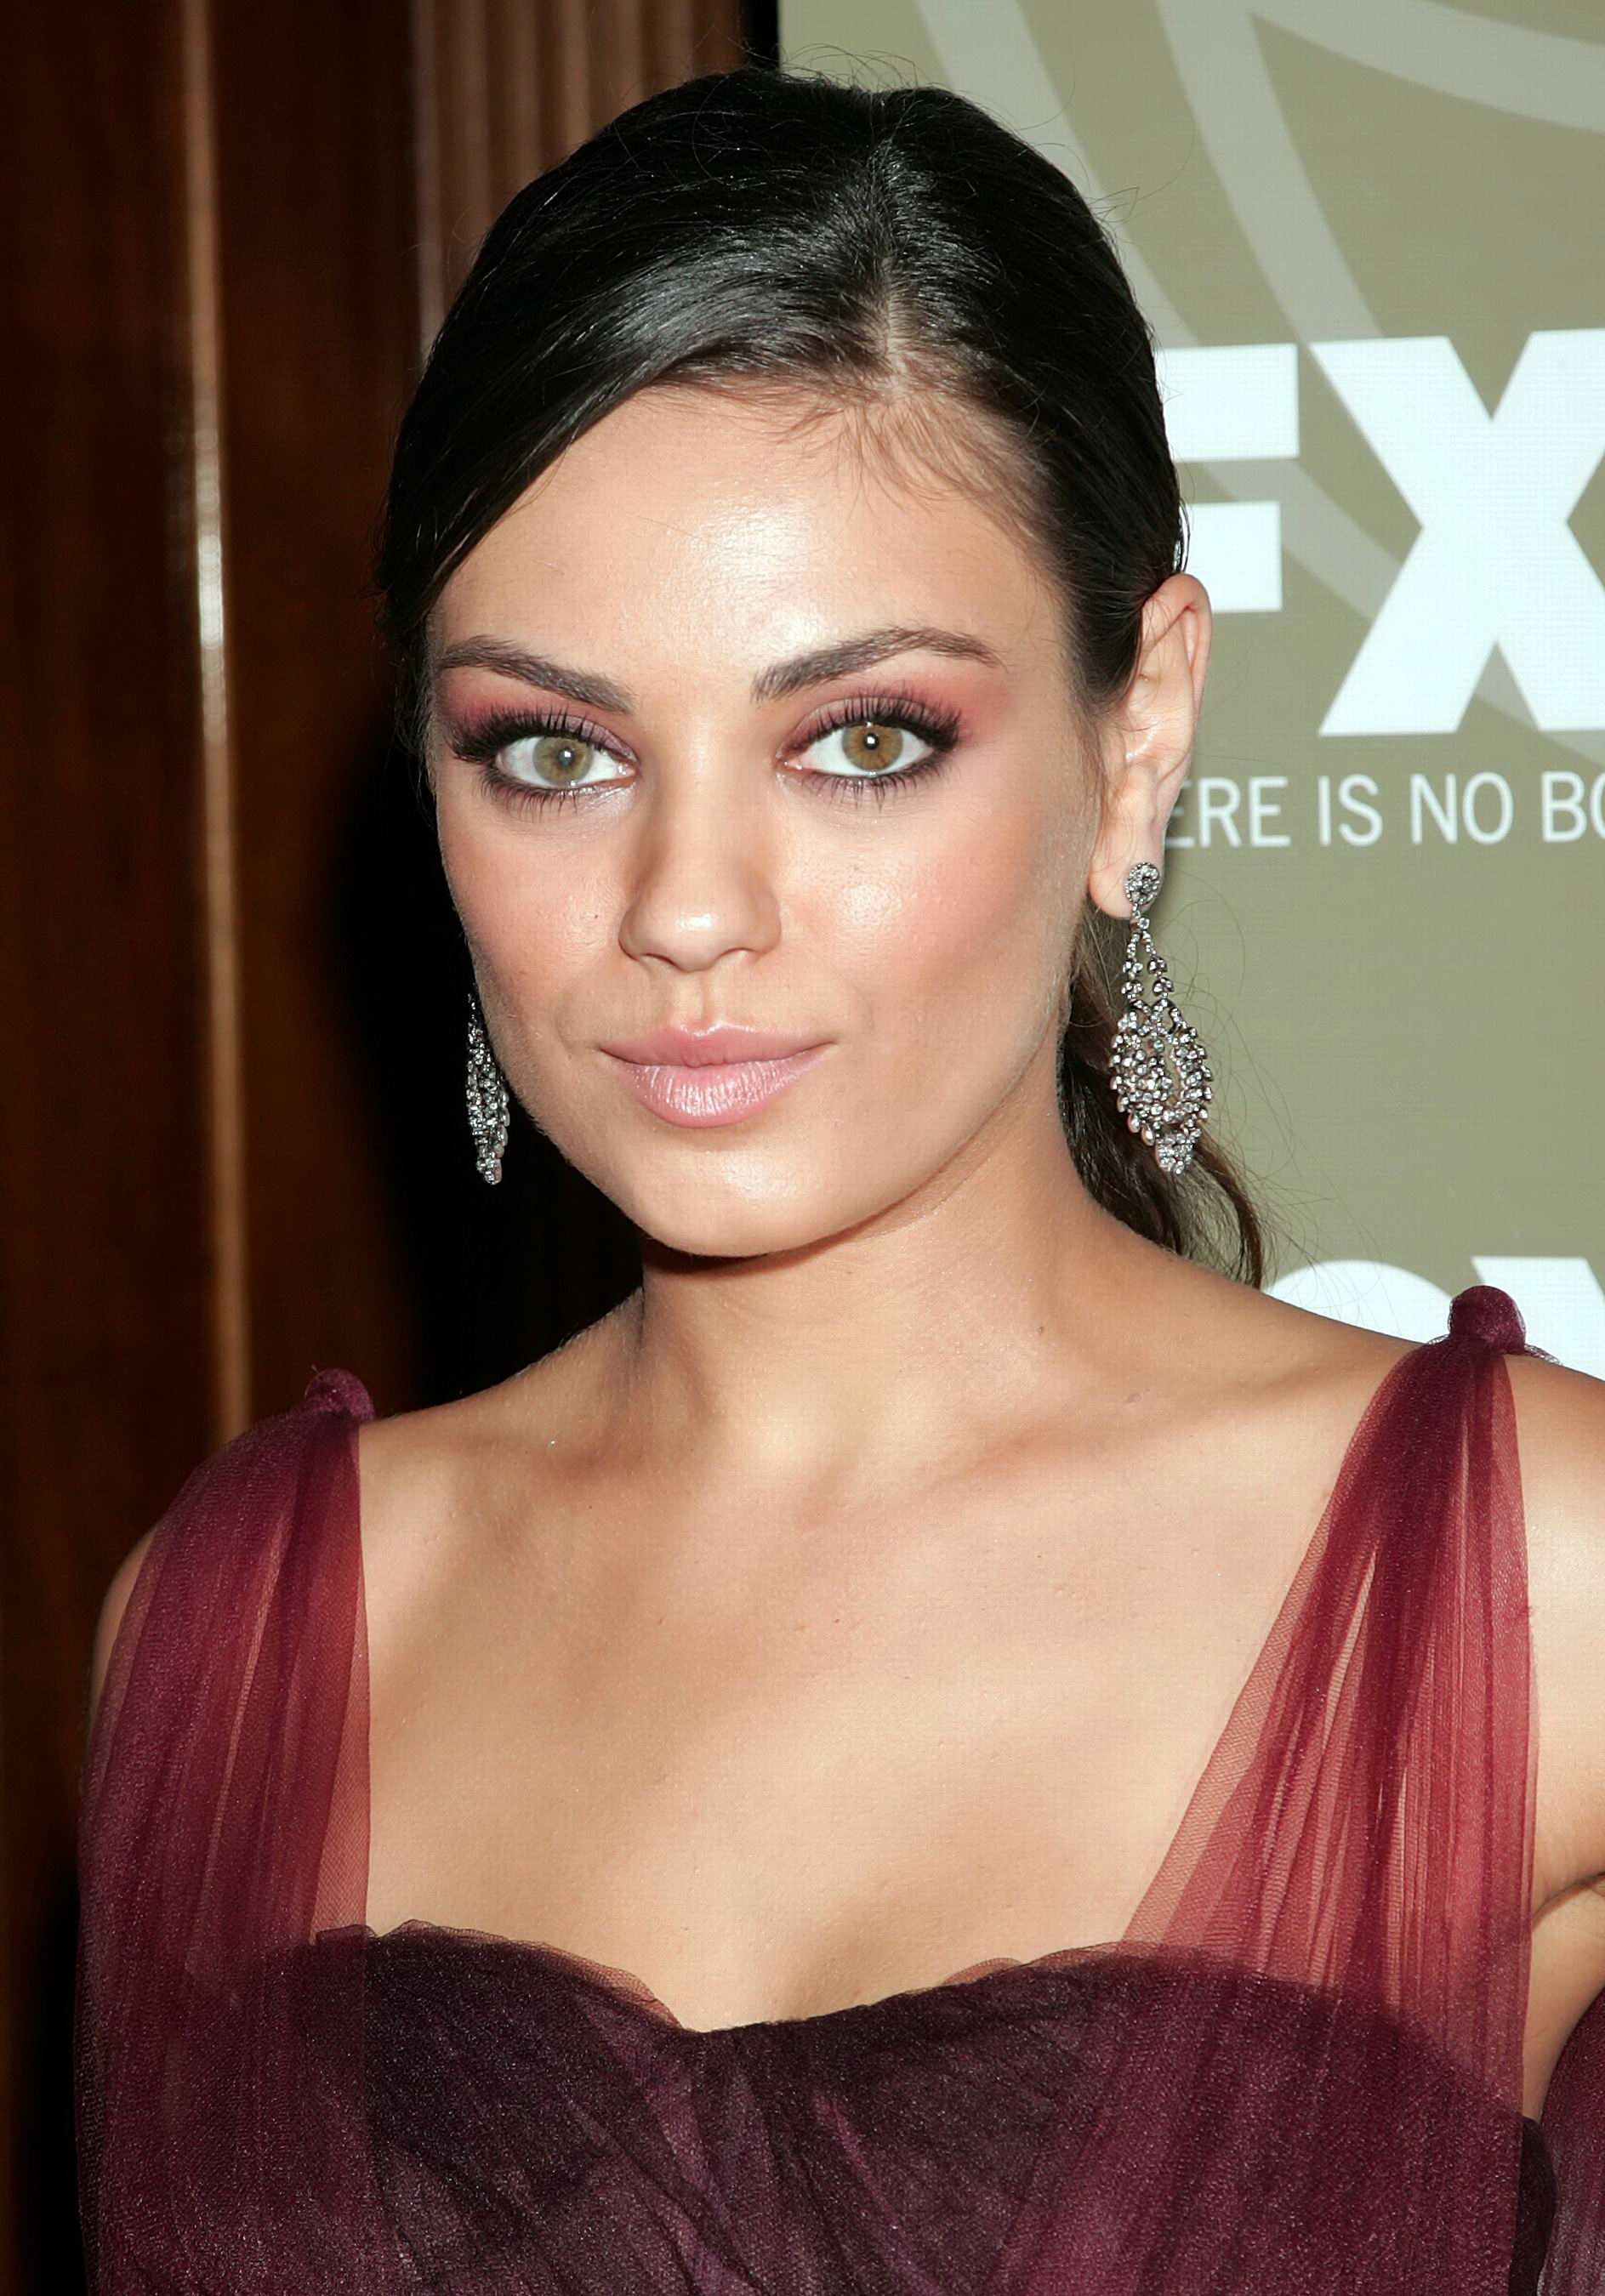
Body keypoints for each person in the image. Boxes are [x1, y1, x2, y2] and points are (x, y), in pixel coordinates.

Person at [74, 63, 1605, 2295]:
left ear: (1139, 731)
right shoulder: (238, 1638)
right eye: (554, 751)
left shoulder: (1551, 1582)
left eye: (863, 739)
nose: (687, 906)